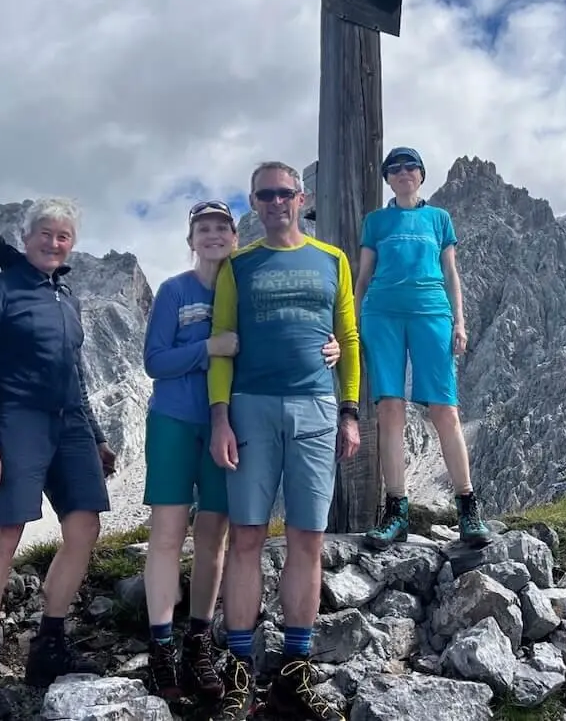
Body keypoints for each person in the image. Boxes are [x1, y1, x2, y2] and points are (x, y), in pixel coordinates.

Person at [139, 199, 342, 706]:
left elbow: (285, 332)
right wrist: (208, 348)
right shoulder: (174, 291)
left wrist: (333, 342)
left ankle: (199, 641)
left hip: (229, 425)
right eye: (202, 228)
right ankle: (162, 648)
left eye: (221, 228)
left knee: (214, 536)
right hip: (175, 420)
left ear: (234, 237)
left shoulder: (247, 283)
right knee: (166, 535)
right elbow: (154, 361)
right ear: (191, 240)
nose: (212, 235)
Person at [206, 161, 360, 721]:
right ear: (253, 202)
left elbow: (347, 336)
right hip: (249, 410)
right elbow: (223, 346)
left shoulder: (333, 260)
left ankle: (296, 669)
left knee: (307, 540)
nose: (275, 203)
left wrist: (349, 411)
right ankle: (241, 671)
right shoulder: (237, 266)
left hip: (317, 410)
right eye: (264, 195)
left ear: (303, 199)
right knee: (246, 538)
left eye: (284, 194)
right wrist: (220, 417)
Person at [0, 197, 117, 721]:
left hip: (69, 424)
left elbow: (77, 373)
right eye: (45, 233)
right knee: (6, 534)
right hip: (16, 422)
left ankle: (48, 646)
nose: (53, 242)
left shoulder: (66, 297)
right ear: (26, 238)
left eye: (63, 236)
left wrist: (95, 435)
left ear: (72, 245)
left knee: (85, 527)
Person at [354, 147, 492, 550]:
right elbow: (364, 276)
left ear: (420, 174)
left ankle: (467, 506)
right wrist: (356, 323)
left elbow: (451, 273)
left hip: (432, 311)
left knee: (444, 408)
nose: (402, 173)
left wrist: (460, 322)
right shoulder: (376, 221)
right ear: (387, 179)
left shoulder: (439, 218)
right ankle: (396, 510)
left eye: (409, 166)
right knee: (389, 408)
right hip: (382, 314)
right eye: (393, 169)